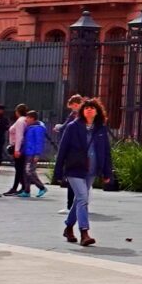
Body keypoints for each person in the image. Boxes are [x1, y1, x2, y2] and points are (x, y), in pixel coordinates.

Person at [54, 97, 111, 247]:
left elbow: (106, 151)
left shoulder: (101, 129)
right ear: (82, 111)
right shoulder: (73, 127)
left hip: (92, 170)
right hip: (75, 168)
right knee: (83, 198)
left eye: (92, 107)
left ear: (97, 111)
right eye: (86, 108)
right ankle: (84, 232)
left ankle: (68, 227)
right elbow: (63, 149)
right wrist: (58, 171)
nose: (89, 109)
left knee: (80, 199)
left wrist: (107, 172)